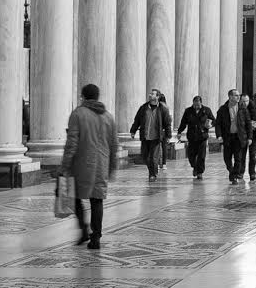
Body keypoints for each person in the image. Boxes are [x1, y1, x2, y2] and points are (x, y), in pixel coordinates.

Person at [62, 83, 118, 250]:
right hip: (101, 165)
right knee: (97, 200)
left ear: (83, 97)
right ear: (98, 97)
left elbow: (71, 143)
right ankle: (96, 237)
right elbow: (114, 145)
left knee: (75, 197)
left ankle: (84, 229)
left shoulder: (78, 114)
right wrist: (112, 167)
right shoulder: (108, 117)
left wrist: (64, 166)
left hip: (81, 164)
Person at [128, 89, 173, 181]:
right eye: (150, 93)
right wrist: (133, 131)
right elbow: (137, 120)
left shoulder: (162, 109)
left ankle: (152, 174)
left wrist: (168, 135)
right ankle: (153, 172)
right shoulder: (143, 108)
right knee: (145, 157)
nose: (150, 95)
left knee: (153, 157)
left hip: (156, 137)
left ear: (157, 97)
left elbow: (167, 123)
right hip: (145, 136)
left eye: (152, 94)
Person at [215, 90, 251, 182]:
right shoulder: (223, 109)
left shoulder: (242, 108)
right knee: (227, 158)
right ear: (230, 97)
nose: (238, 97)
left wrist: (250, 137)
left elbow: (248, 123)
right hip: (227, 137)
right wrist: (219, 135)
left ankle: (234, 176)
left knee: (238, 158)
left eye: (238, 95)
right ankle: (231, 171)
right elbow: (218, 123)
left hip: (239, 137)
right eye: (236, 95)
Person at [177, 95, 215, 180]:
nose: (196, 106)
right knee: (191, 155)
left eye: (198, 104)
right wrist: (179, 131)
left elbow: (214, 120)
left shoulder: (206, 110)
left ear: (201, 103)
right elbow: (183, 122)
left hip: (202, 136)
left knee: (201, 156)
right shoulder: (188, 111)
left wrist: (210, 125)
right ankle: (195, 167)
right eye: (194, 104)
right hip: (192, 136)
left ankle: (200, 172)